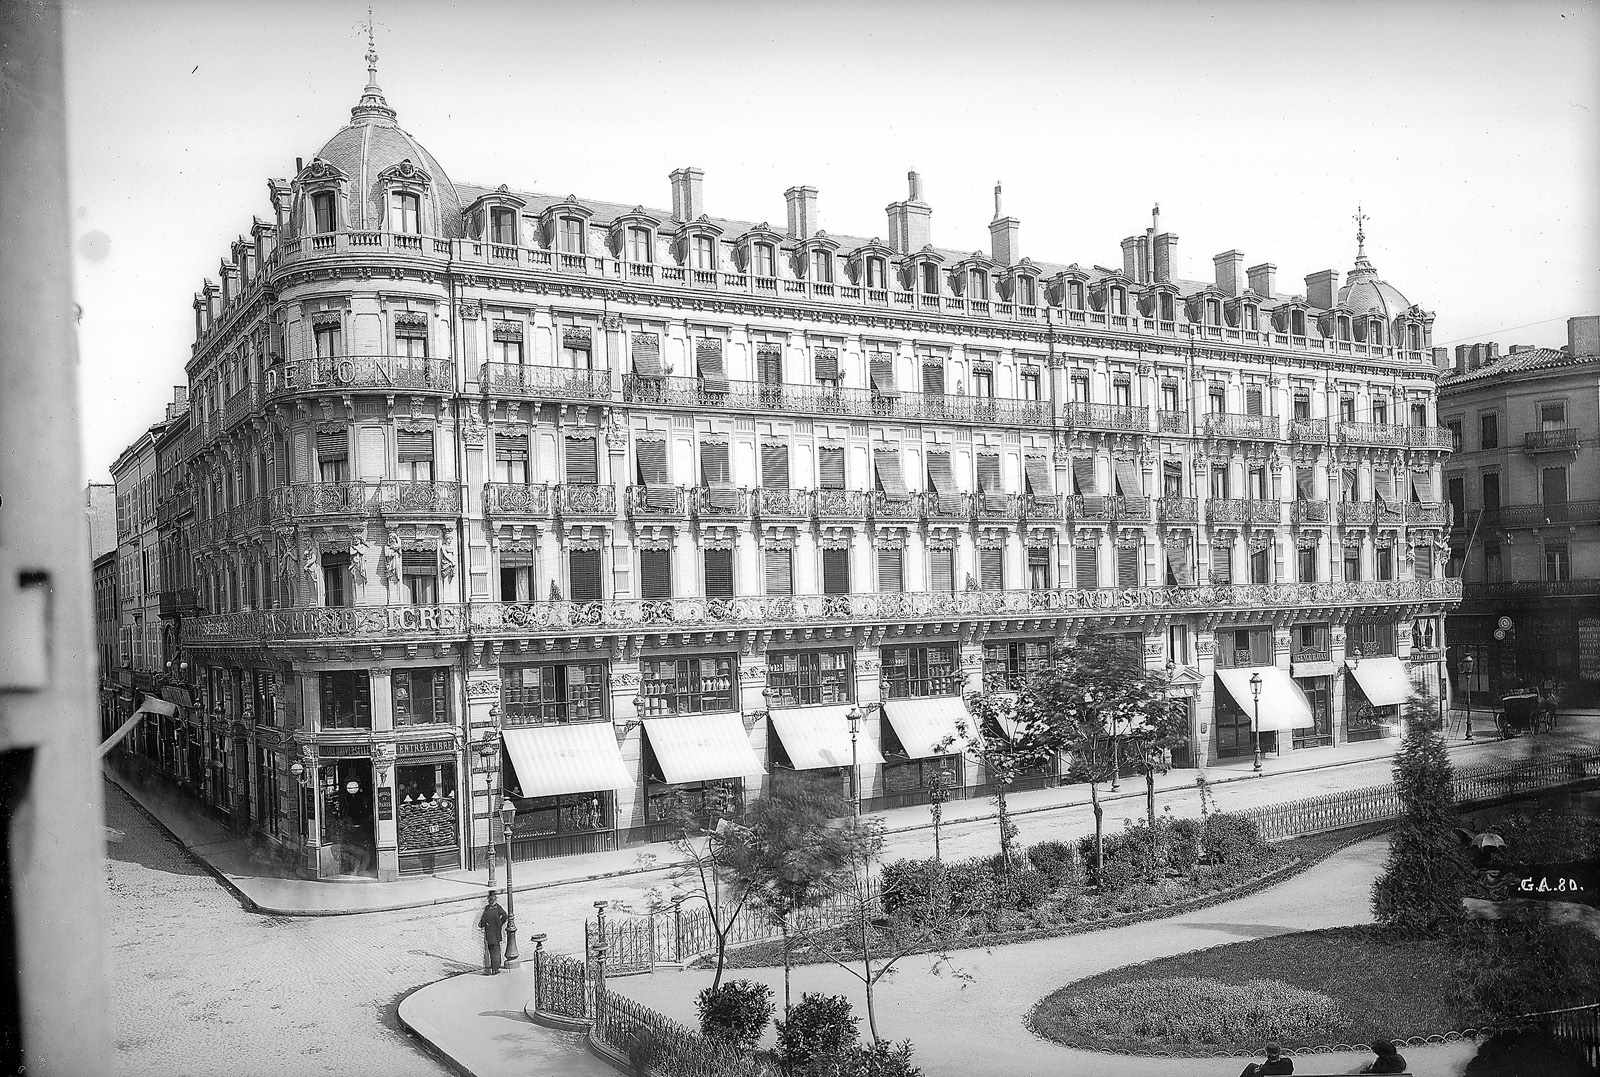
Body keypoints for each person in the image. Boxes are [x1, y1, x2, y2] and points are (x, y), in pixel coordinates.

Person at [478, 890, 508, 975]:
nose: (491, 900)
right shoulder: (487, 908)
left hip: (495, 932)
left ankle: (496, 968)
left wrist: (500, 924)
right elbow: (483, 919)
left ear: (495, 899)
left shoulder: (498, 907)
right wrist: (482, 924)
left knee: (496, 950)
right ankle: (493, 968)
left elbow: (505, 916)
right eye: (490, 899)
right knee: (491, 950)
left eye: (492, 899)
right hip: (489, 933)